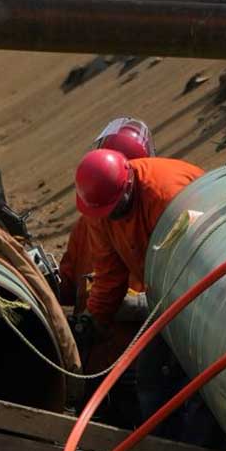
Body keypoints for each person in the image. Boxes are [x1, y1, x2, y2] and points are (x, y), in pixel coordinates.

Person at [74, 148, 216, 444]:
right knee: (149, 375)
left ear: (128, 186)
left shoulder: (167, 197)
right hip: (162, 293)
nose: (111, 216)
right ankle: (158, 445)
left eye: (115, 208)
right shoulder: (100, 209)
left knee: (200, 379)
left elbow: (198, 261)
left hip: (205, 290)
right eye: (105, 212)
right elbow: (109, 272)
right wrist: (93, 318)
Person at [58, 117, 154, 312]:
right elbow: (67, 286)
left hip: (124, 334)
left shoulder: (151, 224)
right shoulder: (86, 226)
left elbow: (66, 287)